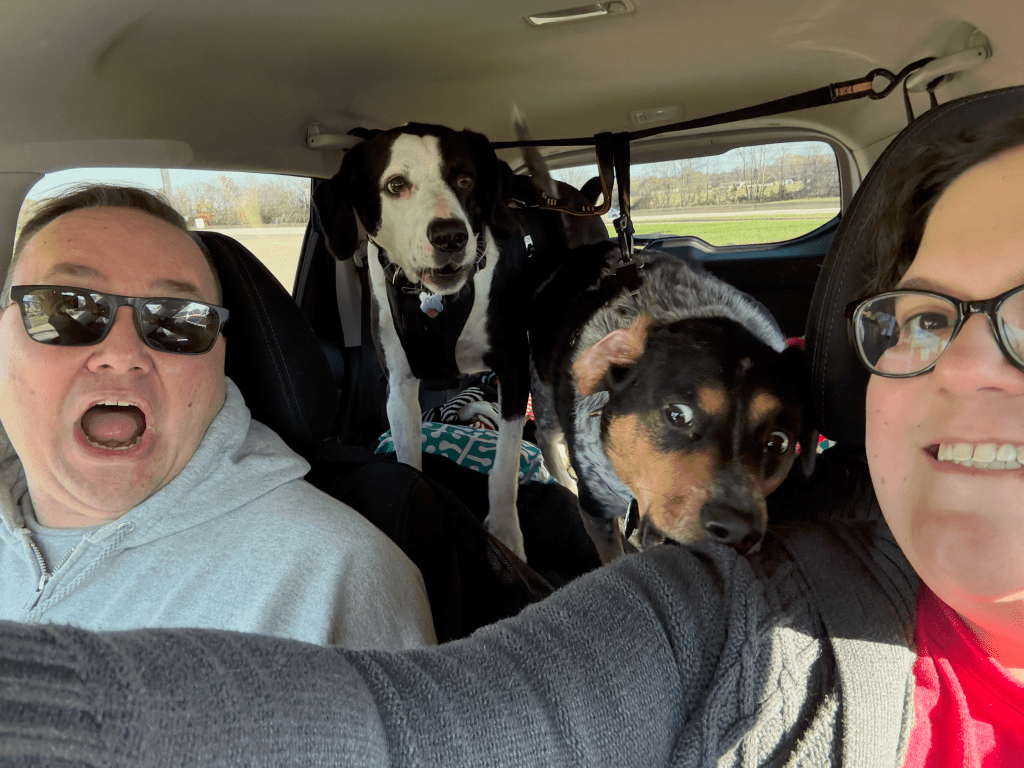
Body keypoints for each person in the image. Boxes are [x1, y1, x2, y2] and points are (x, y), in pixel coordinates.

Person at [1, 97, 1023, 766]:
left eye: (178, 317)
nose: (971, 366)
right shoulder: (703, 609)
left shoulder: (743, 619)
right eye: (928, 320)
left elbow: (405, 729)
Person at [0, 184, 436, 649]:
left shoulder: (332, 580)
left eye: (178, 321)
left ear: (219, 361)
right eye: (67, 308)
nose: (124, 354)